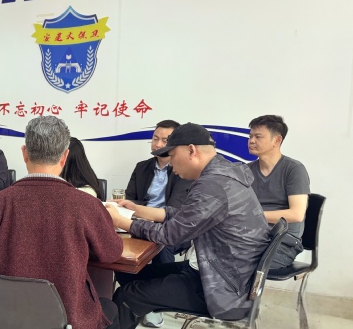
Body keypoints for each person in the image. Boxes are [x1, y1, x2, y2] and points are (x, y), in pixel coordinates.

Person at [110, 123, 270, 329]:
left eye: (172, 156)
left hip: (220, 288)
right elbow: (186, 216)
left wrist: (122, 222)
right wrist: (137, 210)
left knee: (126, 296)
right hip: (221, 272)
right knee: (128, 272)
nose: (171, 164)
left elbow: (170, 235)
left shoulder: (212, 185)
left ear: (191, 150)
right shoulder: (223, 174)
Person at [0, 116, 124, 329]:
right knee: (109, 308)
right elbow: (111, 252)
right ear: (65, 156)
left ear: (24, 153)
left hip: (9, 318)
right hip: (69, 319)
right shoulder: (87, 204)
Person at [122, 120, 194, 327]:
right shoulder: (142, 167)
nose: (158, 144)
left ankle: (155, 304)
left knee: (162, 246)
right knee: (117, 249)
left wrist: (141, 213)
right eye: (155, 138)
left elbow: (175, 211)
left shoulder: (183, 170)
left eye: (165, 140)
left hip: (171, 228)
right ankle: (134, 294)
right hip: (140, 222)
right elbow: (131, 199)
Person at [247, 115, 310, 269]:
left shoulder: (294, 169)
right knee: (211, 254)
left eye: (258, 137)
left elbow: (296, 214)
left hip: (283, 242)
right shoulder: (246, 170)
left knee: (239, 262)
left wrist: (252, 215)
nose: (251, 141)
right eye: (250, 136)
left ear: (277, 140)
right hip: (252, 237)